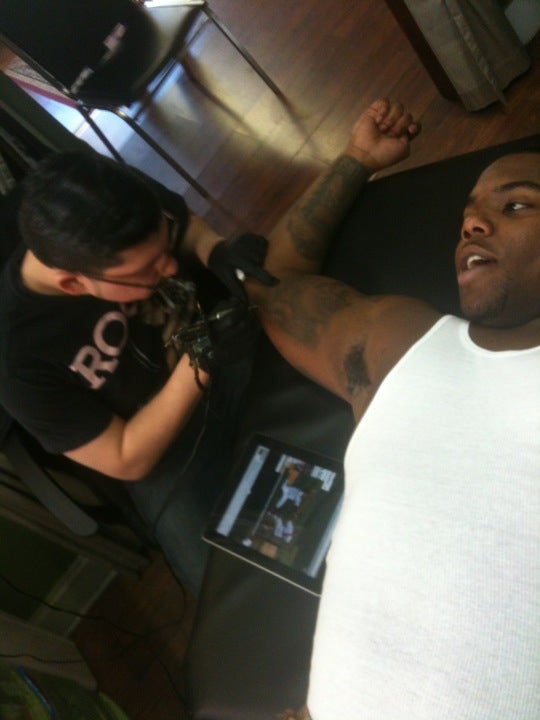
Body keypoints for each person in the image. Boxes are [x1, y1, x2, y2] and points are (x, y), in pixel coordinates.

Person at [246, 99, 539, 718]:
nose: (474, 224)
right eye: (469, 215)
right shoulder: (398, 341)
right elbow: (273, 282)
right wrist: (357, 160)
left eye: (516, 206)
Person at [0, 150, 274, 594]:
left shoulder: (112, 197)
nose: (170, 268)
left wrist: (215, 250)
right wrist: (202, 356)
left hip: (223, 347)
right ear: (73, 283)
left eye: (163, 251)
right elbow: (125, 456)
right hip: (163, 446)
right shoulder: (16, 360)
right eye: (146, 270)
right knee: (228, 585)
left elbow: (185, 227)